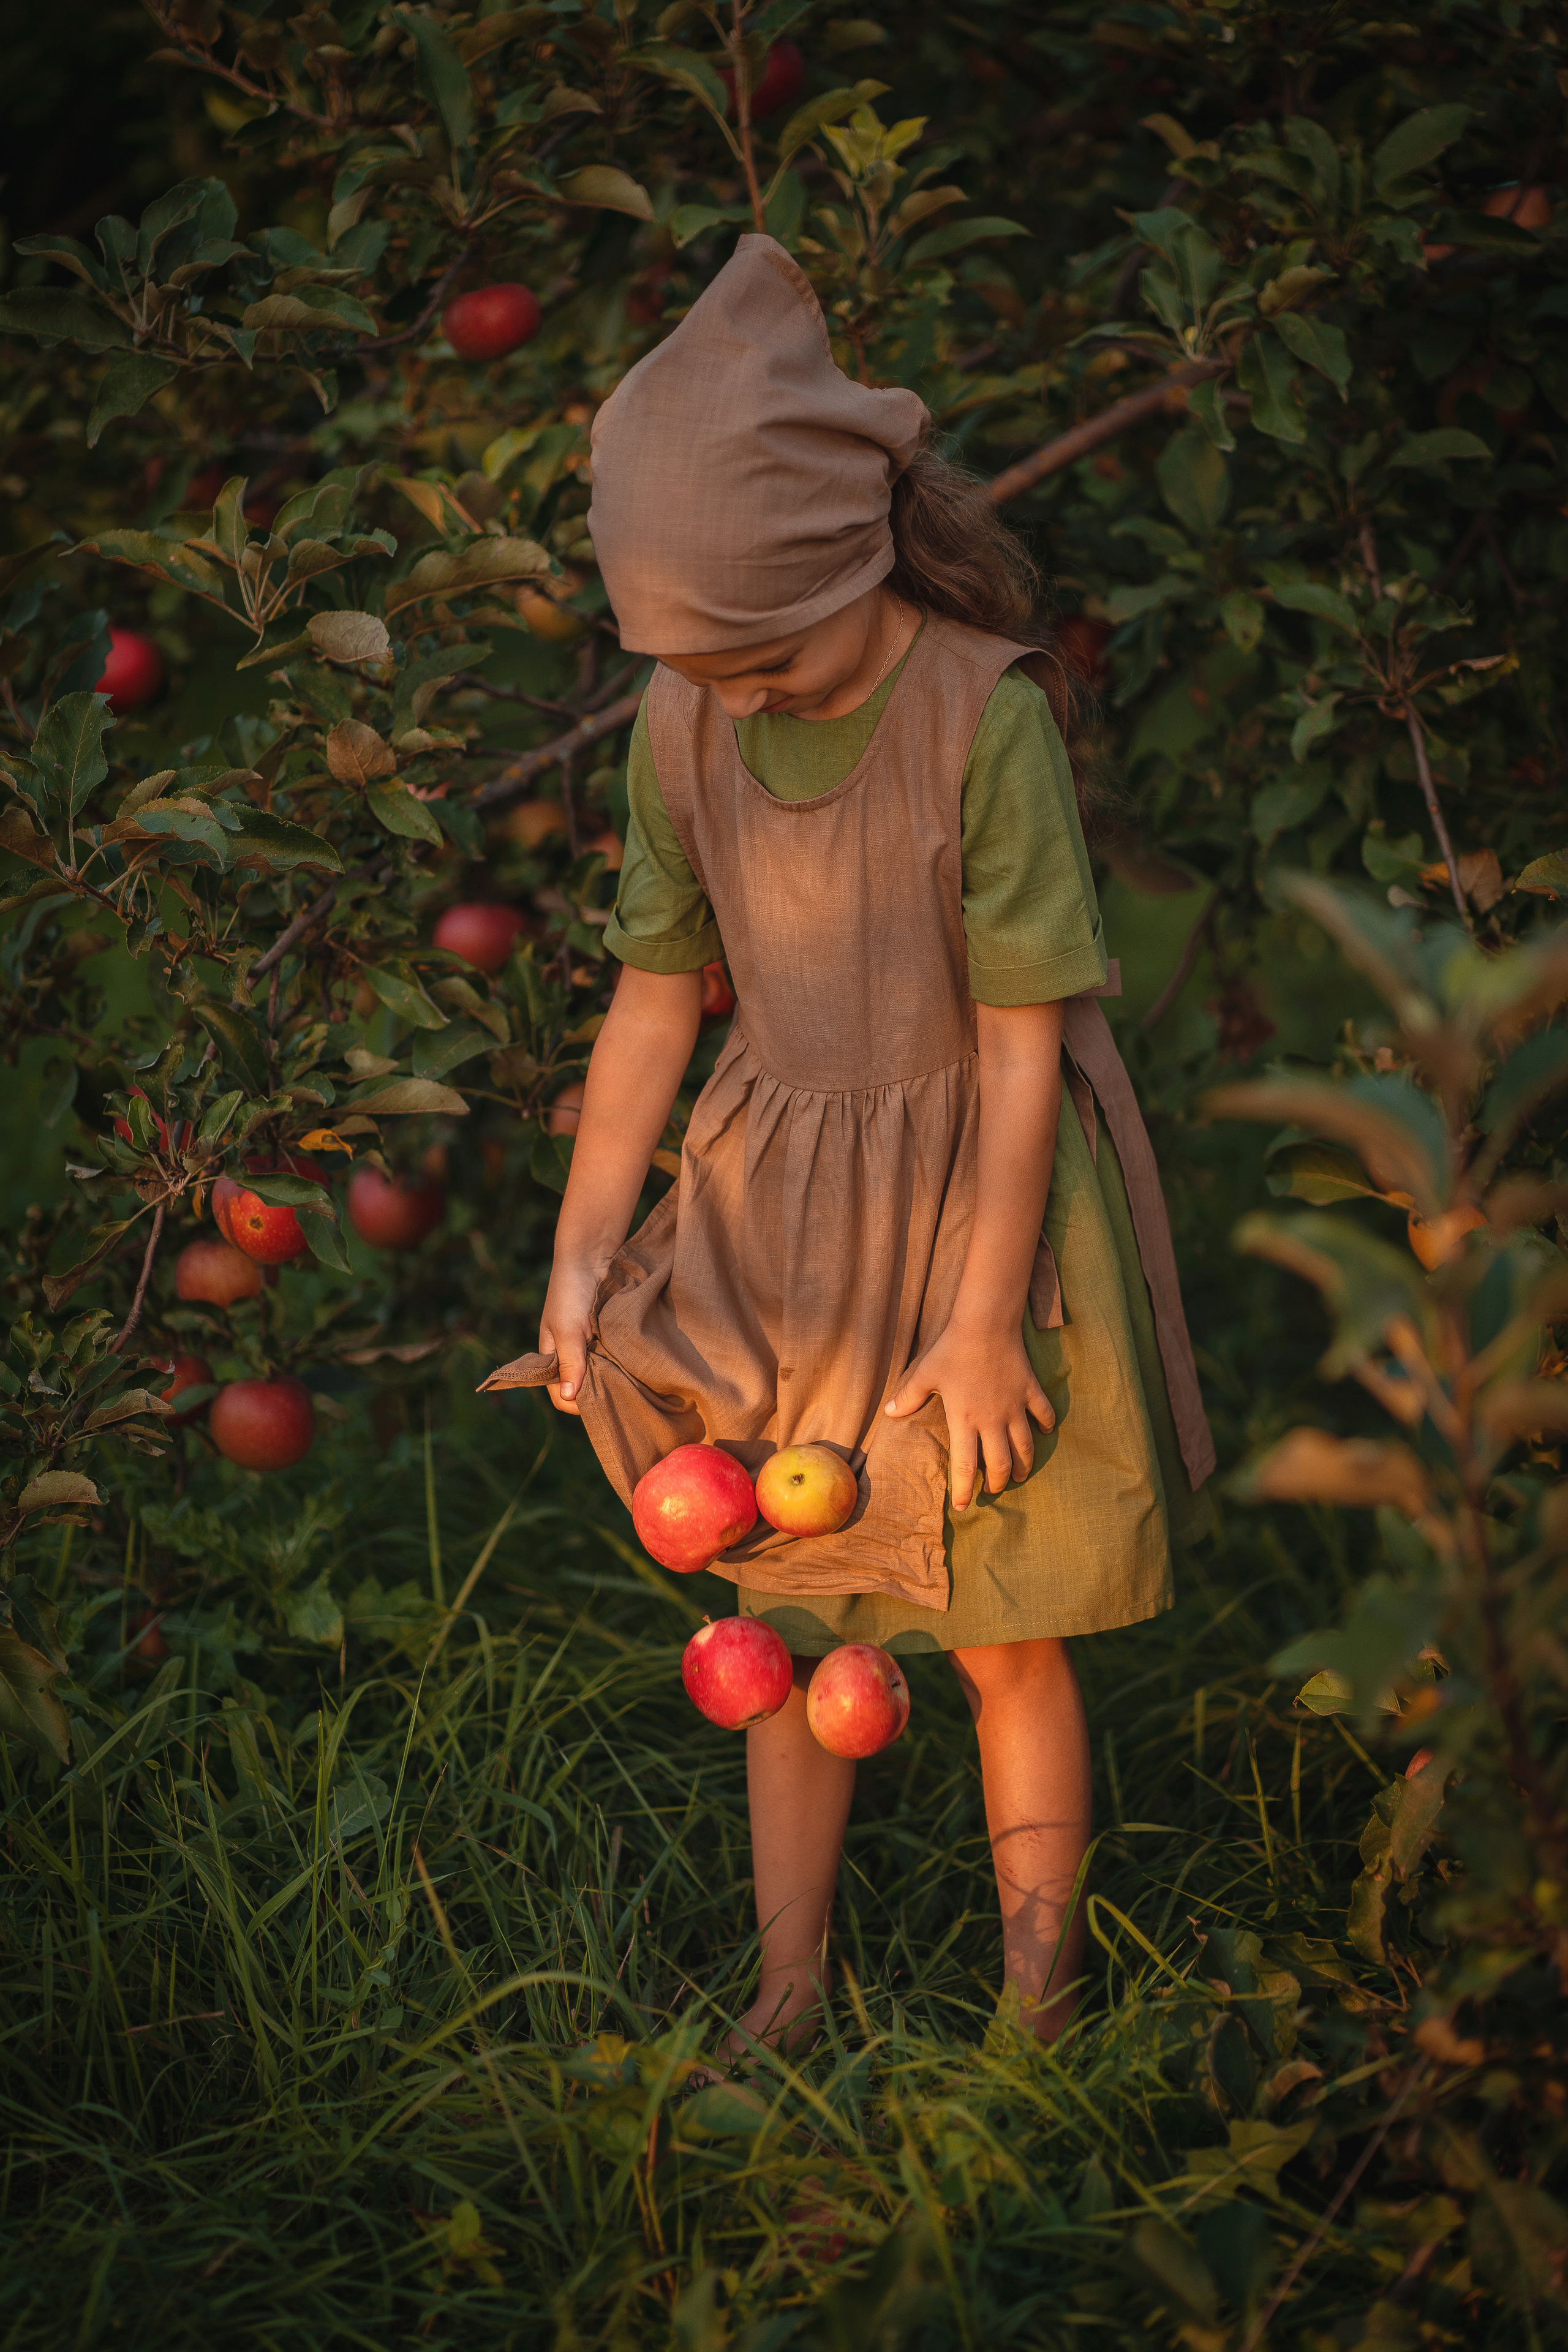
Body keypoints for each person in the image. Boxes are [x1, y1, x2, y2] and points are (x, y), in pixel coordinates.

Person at [483, 236, 1214, 2051]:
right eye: (701, 671)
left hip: (983, 1210)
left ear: (856, 560)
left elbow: (1021, 1043)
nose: (738, 698)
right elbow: (658, 997)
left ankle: (1037, 2019)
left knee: (998, 1628)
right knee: (791, 1624)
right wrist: (585, 1249)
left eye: (767, 658)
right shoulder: (688, 715)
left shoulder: (985, 716)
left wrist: (980, 1322)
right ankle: (788, 1990)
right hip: (782, 1225)